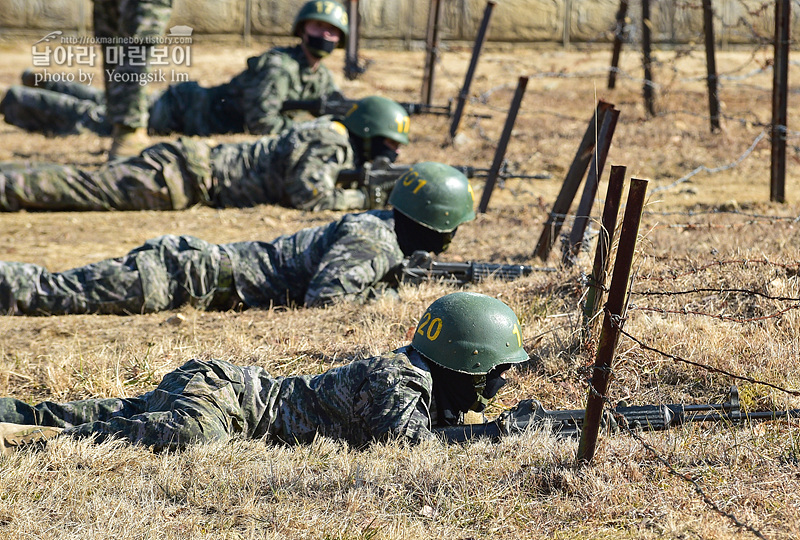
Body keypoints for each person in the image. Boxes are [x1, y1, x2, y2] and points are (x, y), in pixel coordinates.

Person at [0, 292, 530, 452]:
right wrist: (496, 434)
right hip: (234, 404)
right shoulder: (403, 378)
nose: (502, 381)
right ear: (469, 361)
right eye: (499, 369)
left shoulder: (419, 376)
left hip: (224, 387)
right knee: (186, 435)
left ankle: (18, 415)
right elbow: (408, 449)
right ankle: (38, 439)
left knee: (129, 412)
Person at [0, 161, 476, 316]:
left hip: (194, 272)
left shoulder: (381, 228)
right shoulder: (373, 241)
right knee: (53, 293)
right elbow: (326, 303)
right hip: (181, 277)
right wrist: (392, 294)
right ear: (436, 223)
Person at [0, 0, 347, 146]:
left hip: (186, 107)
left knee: (111, 103)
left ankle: (43, 80)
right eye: (319, 27)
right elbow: (262, 124)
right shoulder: (279, 67)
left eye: (332, 32)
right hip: (186, 113)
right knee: (99, 120)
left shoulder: (319, 76)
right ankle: (16, 101)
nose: (325, 36)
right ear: (303, 28)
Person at [0, 95, 410, 212]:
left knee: (83, 183)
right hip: (184, 178)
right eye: (389, 143)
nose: (390, 153)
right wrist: (366, 199)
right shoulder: (333, 140)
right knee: (81, 188)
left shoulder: (331, 135)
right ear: (369, 131)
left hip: (187, 169)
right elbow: (311, 196)